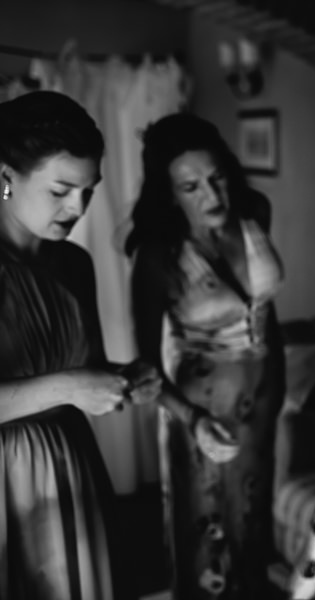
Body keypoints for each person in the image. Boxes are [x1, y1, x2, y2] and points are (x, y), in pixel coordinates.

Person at [0, 90, 160, 599]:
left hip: (72, 469)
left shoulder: (75, 265)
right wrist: (71, 385)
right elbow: (64, 380)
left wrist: (123, 379)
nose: (79, 207)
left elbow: (78, 366)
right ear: (5, 177)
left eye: (89, 190)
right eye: (61, 189)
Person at [125, 113, 286, 599]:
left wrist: (274, 386)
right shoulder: (157, 256)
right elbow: (147, 363)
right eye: (191, 186)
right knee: (207, 528)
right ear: (169, 193)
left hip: (261, 398)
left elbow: (265, 310)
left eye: (216, 178)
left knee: (252, 521)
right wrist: (190, 419)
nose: (212, 196)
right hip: (202, 403)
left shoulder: (254, 210)